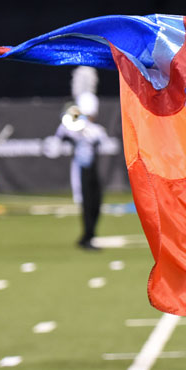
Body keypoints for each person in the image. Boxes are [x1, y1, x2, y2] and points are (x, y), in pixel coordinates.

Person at [55, 66, 109, 250]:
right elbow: (57, 141)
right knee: (85, 201)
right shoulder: (70, 127)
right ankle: (86, 237)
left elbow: (103, 141)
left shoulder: (96, 130)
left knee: (96, 201)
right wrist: (72, 132)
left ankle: (90, 233)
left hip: (92, 168)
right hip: (79, 167)